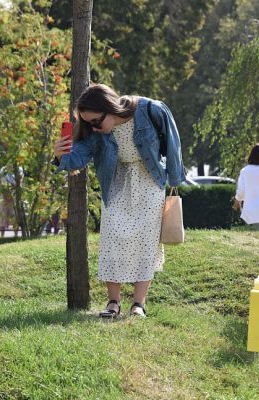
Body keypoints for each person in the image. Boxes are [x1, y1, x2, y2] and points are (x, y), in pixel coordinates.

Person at [53, 83, 185, 318]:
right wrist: (60, 156)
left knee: (146, 241)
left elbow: (173, 144)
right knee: (112, 238)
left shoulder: (150, 109)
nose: (93, 127)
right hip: (115, 183)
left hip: (149, 181)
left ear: (109, 108)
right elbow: (78, 158)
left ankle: (139, 304)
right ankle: (113, 301)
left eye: (95, 121)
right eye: (88, 123)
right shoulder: (97, 132)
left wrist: (174, 179)